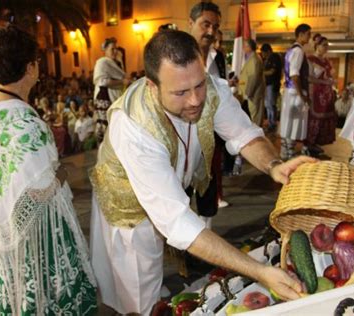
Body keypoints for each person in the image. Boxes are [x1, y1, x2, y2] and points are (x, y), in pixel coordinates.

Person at [89, 30, 314, 315]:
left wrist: (274, 165)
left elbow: (244, 133)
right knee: (138, 296)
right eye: (181, 92)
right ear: (152, 86)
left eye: (198, 85)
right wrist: (259, 271)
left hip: (166, 194)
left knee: (155, 281)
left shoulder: (209, 88)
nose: (195, 100)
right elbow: (177, 222)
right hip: (129, 208)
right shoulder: (134, 127)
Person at [0, 25, 97, 315]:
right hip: (33, 233)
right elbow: (39, 191)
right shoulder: (26, 123)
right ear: (29, 68)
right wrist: (60, 173)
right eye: (36, 61)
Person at [188, 1, 230, 223]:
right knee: (181, 193)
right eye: (205, 24)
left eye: (215, 26)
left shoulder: (219, 57)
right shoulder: (176, 55)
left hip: (210, 134)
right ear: (191, 23)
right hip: (182, 133)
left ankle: (206, 238)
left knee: (209, 189)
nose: (211, 31)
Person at [279, 23, 312, 160]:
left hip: (289, 90)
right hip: (295, 91)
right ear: (301, 34)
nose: (309, 37)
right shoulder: (298, 51)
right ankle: (290, 153)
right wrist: (302, 95)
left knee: (289, 121)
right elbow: (294, 74)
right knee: (295, 123)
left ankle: (285, 151)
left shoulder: (291, 50)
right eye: (308, 34)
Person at [93, 38, 130, 144]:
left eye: (116, 49)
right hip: (105, 98)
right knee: (107, 129)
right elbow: (102, 81)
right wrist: (122, 82)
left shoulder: (116, 63)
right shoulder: (102, 62)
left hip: (116, 97)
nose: (115, 51)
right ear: (105, 50)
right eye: (112, 49)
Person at [306, 36, 336, 154]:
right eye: (324, 45)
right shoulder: (311, 59)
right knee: (315, 119)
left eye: (327, 45)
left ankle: (317, 143)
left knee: (324, 118)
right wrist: (325, 82)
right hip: (316, 93)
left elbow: (330, 75)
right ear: (317, 46)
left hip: (327, 93)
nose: (326, 47)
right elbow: (309, 78)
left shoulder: (327, 61)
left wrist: (330, 81)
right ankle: (309, 143)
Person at [239, 38, 265, 126]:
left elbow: (253, 77)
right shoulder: (252, 58)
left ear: (249, 47)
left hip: (253, 95)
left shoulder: (254, 59)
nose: (243, 48)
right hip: (250, 94)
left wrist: (248, 93)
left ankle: (256, 138)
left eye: (244, 46)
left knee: (255, 118)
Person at [261, 43, 282, 132]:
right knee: (268, 105)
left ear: (268, 51)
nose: (263, 55)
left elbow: (272, 71)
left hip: (272, 84)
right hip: (267, 85)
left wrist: (261, 73)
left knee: (271, 105)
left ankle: (272, 123)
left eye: (263, 52)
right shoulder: (268, 59)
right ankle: (270, 122)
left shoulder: (274, 57)